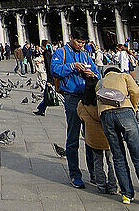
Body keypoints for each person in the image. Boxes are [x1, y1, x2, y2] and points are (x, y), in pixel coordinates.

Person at [97, 66, 139, 207]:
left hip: (106, 116)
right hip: (125, 112)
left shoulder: (100, 82)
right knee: (138, 156)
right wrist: (134, 107)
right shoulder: (124, 76)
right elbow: (135, 91)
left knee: (118, 157)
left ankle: (126, 195)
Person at [51, 27, 100, 189]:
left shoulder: (86, 54)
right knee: (73, 137)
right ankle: (74, 173)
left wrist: (91, 74)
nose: (81, 45)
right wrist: (72, 66)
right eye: (79, 41)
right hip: (71, 97)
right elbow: (55, 70)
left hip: (87, 97)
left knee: (90, 137)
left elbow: (96, 72)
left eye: (83, 42)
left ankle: (94, 173)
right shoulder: (61, 53)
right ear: (71, 38)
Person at [77, 78, 117, 195]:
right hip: (107, 137)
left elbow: (80, 116)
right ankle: (113, 186)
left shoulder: (83, 103)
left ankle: (100, 185)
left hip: (93, 138)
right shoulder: (104, 102)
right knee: (111, 161)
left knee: (97, 162)